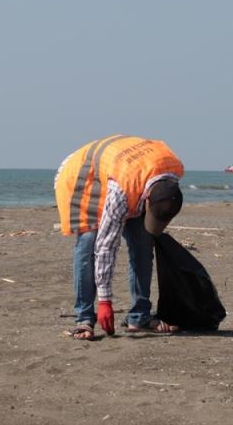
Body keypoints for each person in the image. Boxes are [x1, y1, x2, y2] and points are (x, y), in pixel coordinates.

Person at [54, 135, 185, 340]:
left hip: (122, 175)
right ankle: (85, 318)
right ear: (148, 198)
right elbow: (106, 247)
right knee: (89, 243)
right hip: (83, 176)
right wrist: (105, 302)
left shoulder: (173, 171)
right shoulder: (122, 194)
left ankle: (139, 317)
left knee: (143, 242)